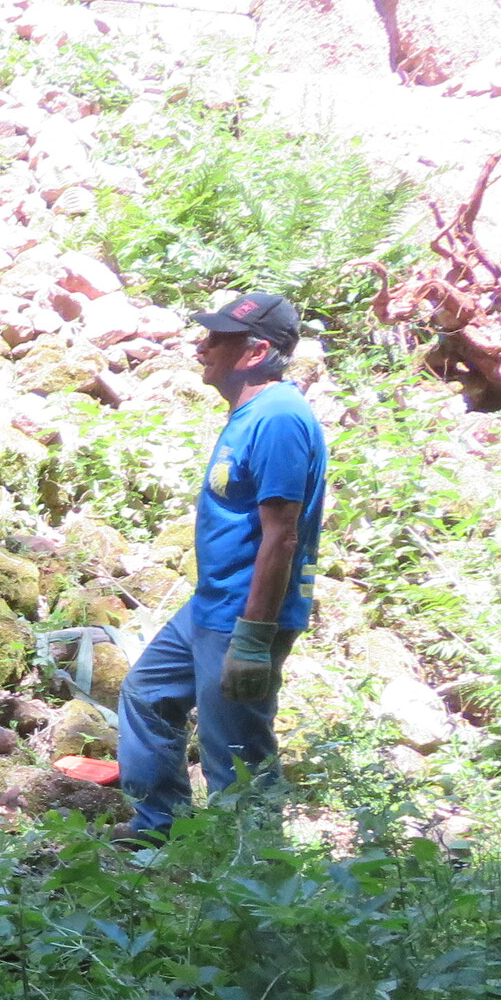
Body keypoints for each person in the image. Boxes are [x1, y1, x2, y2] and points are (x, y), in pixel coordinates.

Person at [116, 291, 329, 834]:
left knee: (234, 749)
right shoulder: (251, 413)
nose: (202, 347)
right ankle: (159, 830)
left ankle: (251, 865)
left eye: (217, 339)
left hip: (244, 613)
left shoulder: (279, 419)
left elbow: (282, 535)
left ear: (255, 353)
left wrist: (254, 639)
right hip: (211, 603)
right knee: (147, 694)